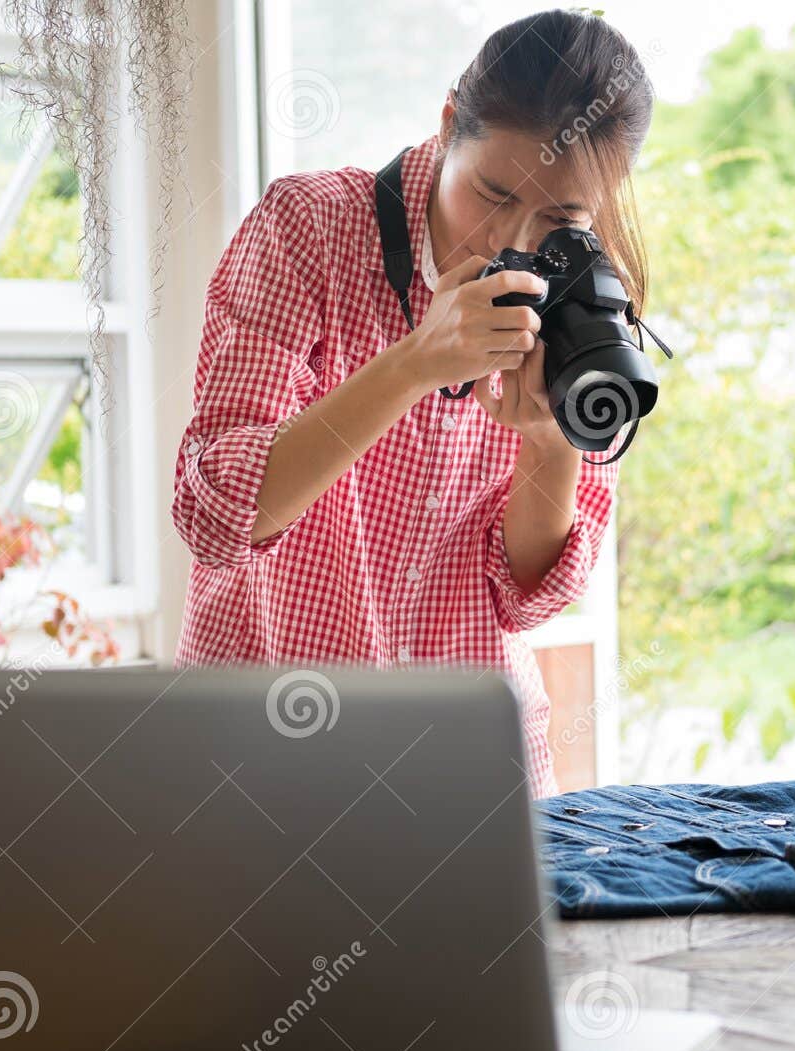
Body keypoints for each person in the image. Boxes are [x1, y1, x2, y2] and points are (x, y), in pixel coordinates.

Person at [172, 8, 655, 797]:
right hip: (259, 752)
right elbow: (218, 514)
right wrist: (410, 367)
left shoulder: (585, 297)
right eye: (493, 193)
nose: (514, 240)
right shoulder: (310, 231)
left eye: (562, 218)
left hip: (461, 771)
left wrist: (550, 443)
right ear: (445, 125)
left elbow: (528, 594)